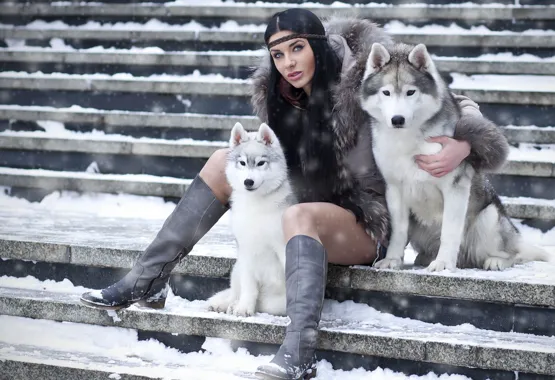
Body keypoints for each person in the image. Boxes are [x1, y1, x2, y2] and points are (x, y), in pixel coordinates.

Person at [80, 9, 508, 380]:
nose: (287, 62)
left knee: (299, 216)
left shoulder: (365, 72)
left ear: (316, 44)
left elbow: (456, 99)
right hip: (301, 207)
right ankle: (148, 278)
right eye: (278, 53)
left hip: (365, 220)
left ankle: (299, 350)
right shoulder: (278, 95)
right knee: (220, 160)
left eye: (296, 48)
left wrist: (464, 142)